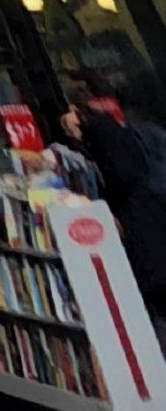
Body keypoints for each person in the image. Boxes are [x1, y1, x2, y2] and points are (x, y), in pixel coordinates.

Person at [62, 98, 166, 326]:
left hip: (146, 240)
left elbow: (123, 175)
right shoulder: (136, 136)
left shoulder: (105, 141)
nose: (70, 135)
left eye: (70, 128)